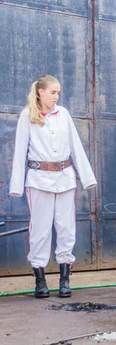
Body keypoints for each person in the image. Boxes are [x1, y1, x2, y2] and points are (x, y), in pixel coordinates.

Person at [9, 75, 97, 298]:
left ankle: (64, 279)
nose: (56, 97)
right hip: (39, 181)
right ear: (40, 92)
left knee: (66, 228)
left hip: (65, 179)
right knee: (40, 229)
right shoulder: (27, 116)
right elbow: (20, 152)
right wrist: (16, 185)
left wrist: (86, 177)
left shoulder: (63, 114)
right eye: (53, 92)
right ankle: (40, 280)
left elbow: (75, 146)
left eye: (58, 93)